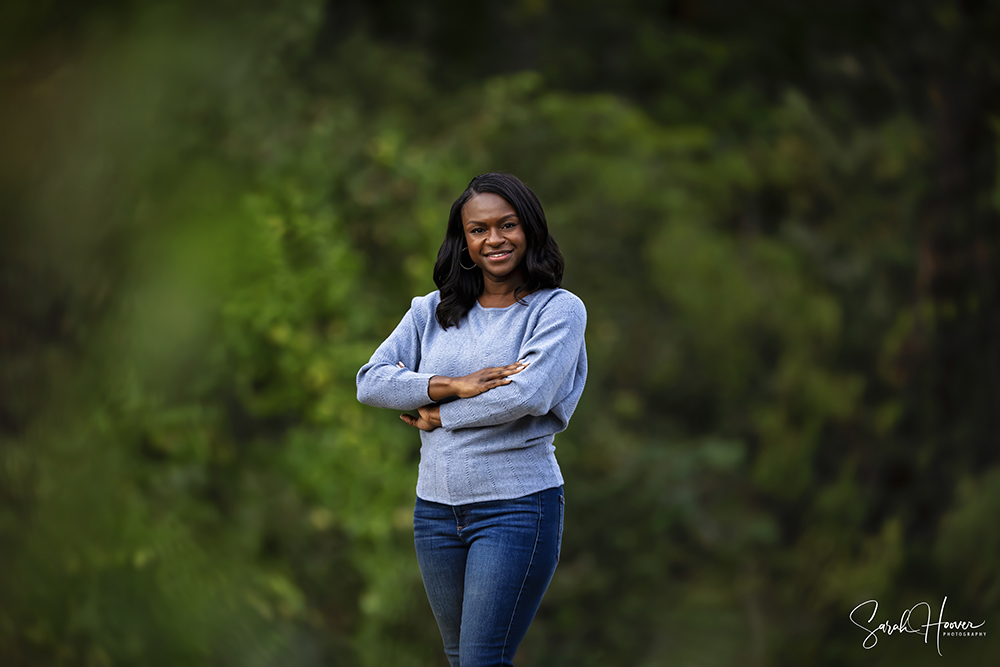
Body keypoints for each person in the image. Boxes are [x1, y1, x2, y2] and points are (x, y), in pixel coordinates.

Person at [356, 172, 587, 667]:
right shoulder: (430, 311)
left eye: (507, 225)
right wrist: (451, 384)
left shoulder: (557, 311)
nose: (494, 240)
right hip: (435, 510)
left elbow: (527, 394)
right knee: (461, 659)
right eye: (478, 230)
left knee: (483, 660)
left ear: (530, 230)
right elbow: (371, 381)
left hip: (516, 506)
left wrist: (439, 414)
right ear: (463, 241)